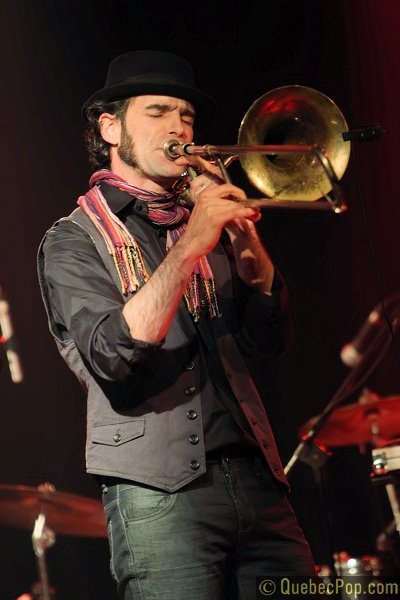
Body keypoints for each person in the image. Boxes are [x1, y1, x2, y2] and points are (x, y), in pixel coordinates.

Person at [38, 50, 315, 600]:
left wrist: (243, 235)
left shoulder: (202, 222)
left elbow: (268, 341)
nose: (179, 129)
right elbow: (114, 354)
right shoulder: (73, 240)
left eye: (187, 116)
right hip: (158, 496)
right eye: (158, 112)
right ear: (110, 128)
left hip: (258, 486)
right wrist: (192, 244)